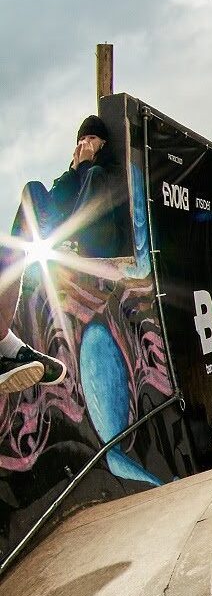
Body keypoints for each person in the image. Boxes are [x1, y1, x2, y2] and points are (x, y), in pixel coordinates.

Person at [0, 114, 124, 396]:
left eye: (91, 139)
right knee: (33, 189)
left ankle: (68, 242)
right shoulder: (74, 173)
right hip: (66, 236)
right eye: (80, 140)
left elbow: (102, 203)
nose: (84, 144)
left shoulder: (106, 171)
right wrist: (73, 170)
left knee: (94, 175)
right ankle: (19, 255)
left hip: (98, 240)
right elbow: (55, 202)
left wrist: (87, 167)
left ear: (103, 143)